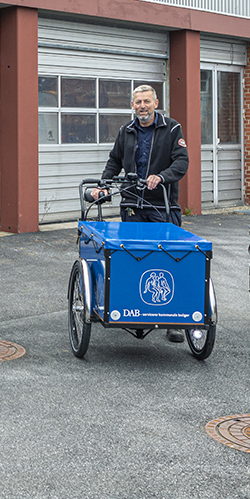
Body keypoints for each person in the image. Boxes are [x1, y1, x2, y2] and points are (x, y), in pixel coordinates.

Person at [93, 84, 190, 343]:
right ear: (133, 105)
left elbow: (182, 161)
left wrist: (162, 176)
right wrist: (104, 183)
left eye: (147, 101)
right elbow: (114, 160)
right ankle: (135, 312)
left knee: (169, 261)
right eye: (138, 102)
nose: (142, 106)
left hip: (162, 206)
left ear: (156, 103)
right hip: (132, 204)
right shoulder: (127, 131)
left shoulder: (172, 128)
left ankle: (174, 322)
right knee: (133, 258)